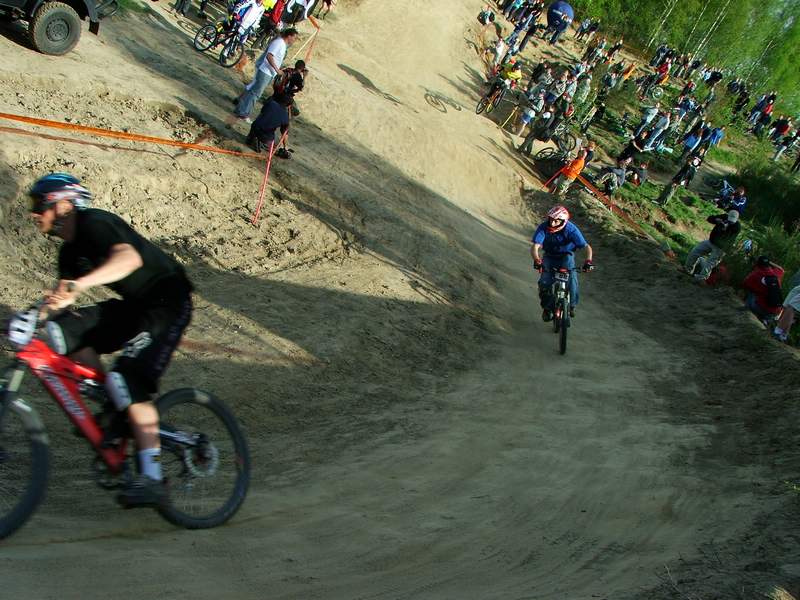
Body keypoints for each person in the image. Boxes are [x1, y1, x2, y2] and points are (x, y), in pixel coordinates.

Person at [26, 173, 193, 507]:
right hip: (135, 307)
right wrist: (28, 319)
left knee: (126, 379)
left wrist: (80, 284)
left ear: (62, 205)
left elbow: (129, 259)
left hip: (168, 302)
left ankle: (153, 478)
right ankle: (114, 405)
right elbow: (61, 301)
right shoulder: (69, 253)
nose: (33, 213)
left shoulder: (95, 223)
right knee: (62, 332)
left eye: (39, 205)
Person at [530, 205, 594, 321]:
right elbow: (535, 246)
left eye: (556, 221)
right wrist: (537, 260)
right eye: (551, 219)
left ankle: (572, 305)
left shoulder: (571, 229)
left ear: (563, 221)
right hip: (549, 256)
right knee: (544, 284)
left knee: (572, 279)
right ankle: (547, 308)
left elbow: (586, 247)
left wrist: (588, 261)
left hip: (566, 256)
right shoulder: (543, 227)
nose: (552, 223)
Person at [235, 28, 298, 122]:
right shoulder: (279, 43)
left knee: (253, 91)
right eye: (294, 38)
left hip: (269, 72)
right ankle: (243, 113)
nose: (294, 40)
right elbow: (269, 56)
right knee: (255, 93)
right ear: (289, 36)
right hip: (265, 71)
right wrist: (277, 69)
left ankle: (241, 110)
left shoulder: (282, 44)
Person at [685, 211, 741, 281]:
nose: (730, 222)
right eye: (730, 220)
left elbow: (728, 239)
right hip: (711, 241)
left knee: (710, 263)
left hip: (721, 248)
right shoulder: (724, 217)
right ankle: (688, 269)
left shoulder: (737, 227)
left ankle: (701, 278)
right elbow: (709, 218)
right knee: (695, 251)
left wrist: (723, 227)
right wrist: (716, 220)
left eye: (732, 221)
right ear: (728, 216)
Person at [743, 256, 785, 324]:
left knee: (751, 291)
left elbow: (744, 284)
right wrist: (769, 262)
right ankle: (766, 319)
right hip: (776, 311)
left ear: (757, 264)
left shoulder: (755, 274)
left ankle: (750, 310)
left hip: (761, 309)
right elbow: (781, 269)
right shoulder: (776, 273)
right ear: (769, 264)